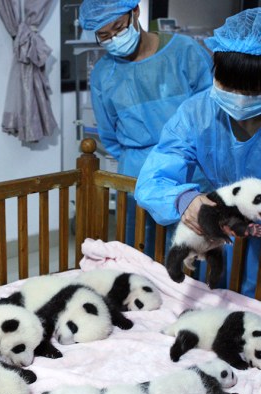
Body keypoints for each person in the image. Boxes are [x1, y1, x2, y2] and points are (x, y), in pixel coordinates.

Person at [136, 8, 261, 316]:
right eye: (228, 85)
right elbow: (152, 180)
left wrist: (248, 203)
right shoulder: (197, 112)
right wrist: (185, 199)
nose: (238, 98)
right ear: (214, 70)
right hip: (222, 240)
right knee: (219, 327)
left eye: (253, 90)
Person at [79, 0, 212, 256]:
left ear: (135, 12)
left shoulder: (185, 53)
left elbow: (211, 118)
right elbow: (109, 134)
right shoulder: (104, 74)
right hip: (137, 173)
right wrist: (140, 161)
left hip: (191, 170)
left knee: (195, 252)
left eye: (118, 28)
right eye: (104, 36)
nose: (114, 39)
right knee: (140, 252)